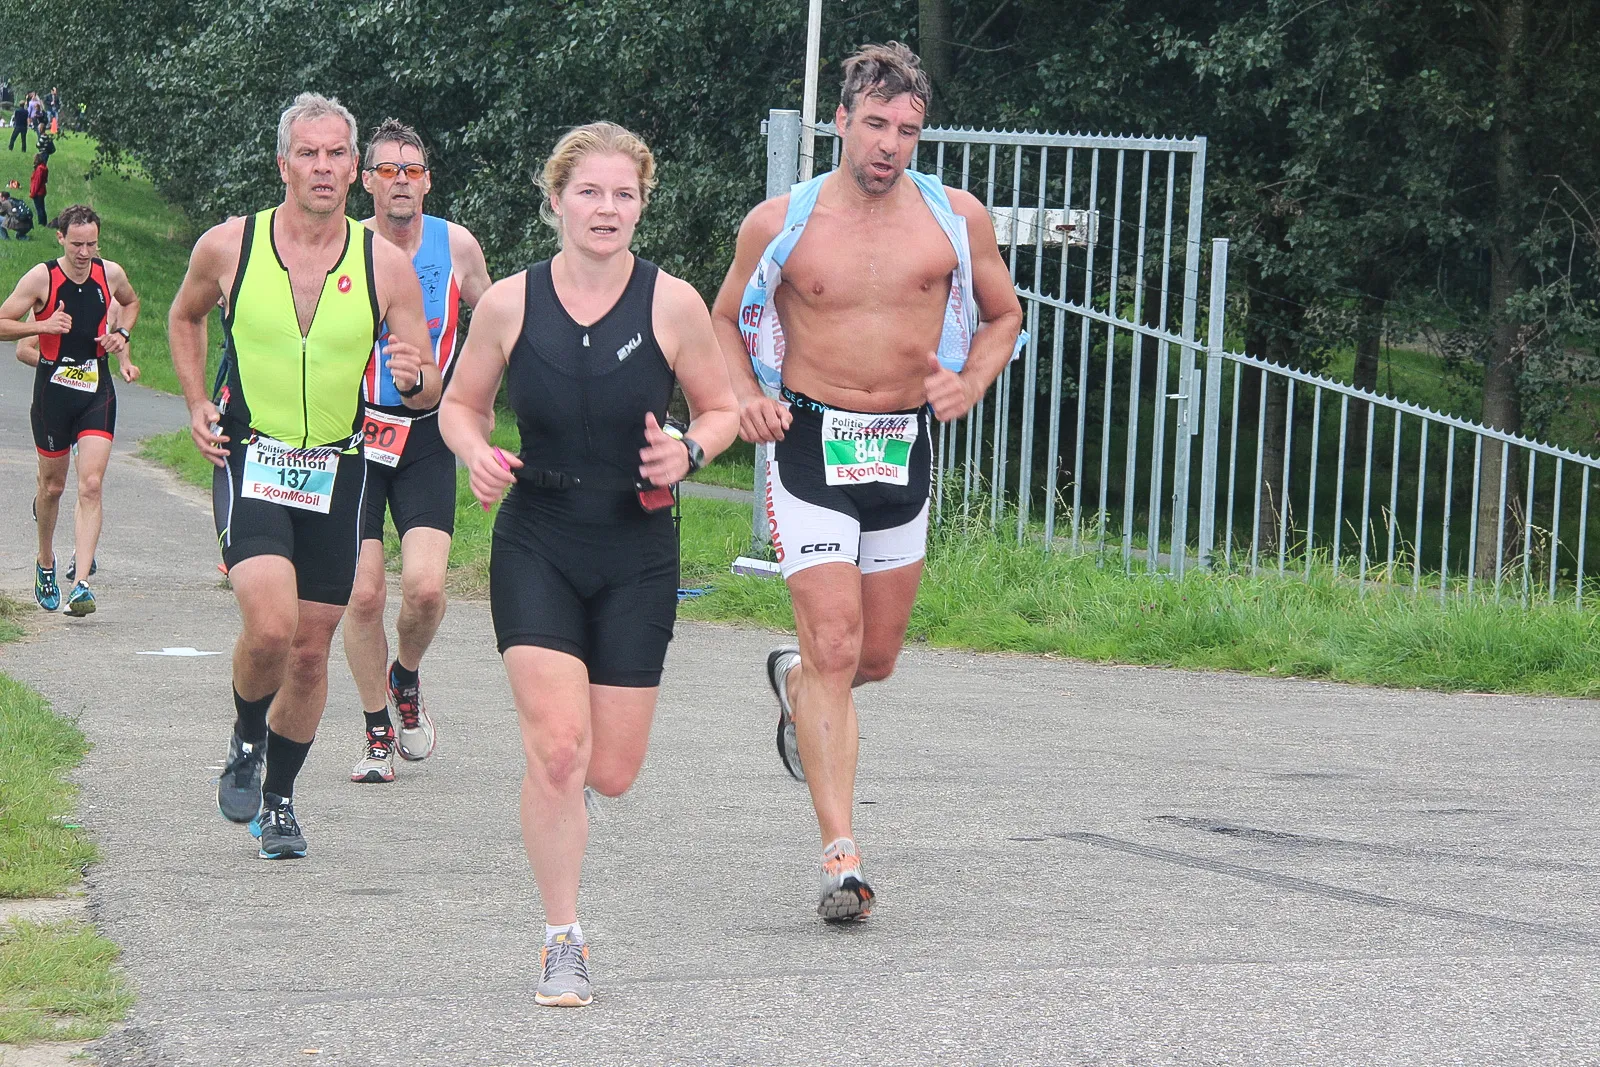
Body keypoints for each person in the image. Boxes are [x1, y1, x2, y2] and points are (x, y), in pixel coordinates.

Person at [711, 42, 1024, 922]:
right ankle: (841, 853)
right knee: (838, 649)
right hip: (811, 444)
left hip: (903, 448)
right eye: (877, 124)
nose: (891, 144)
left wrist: (971, 382)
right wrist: (746, 396)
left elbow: (1005, 314)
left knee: (869, 661)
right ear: (842, 121)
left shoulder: (957, 219)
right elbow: (724, 317)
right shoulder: (781, 222)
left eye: (909, 131)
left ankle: (796, 682)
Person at [440, 121, 738, 1007]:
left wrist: (689, 445)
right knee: (560, 750)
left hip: (637, 545)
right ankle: (561, 939)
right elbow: (462, 405)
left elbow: (720, 409)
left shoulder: (672, 303)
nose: (606, 209)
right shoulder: (510, 304)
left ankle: (566, 797)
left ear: (643, 205)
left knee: (611, 770)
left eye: (624, 194)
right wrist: (474, 453)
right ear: (557, 198)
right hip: (538, 533)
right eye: (589, 192)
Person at [167, 92, 431, 860]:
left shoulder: (384, 263)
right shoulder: (228, 247)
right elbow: (184, 317)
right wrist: (193, 400)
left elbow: (427, 387)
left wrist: (415, 379)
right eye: (307, 153)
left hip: (337, 470)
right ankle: (246, 739)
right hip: (250, 454)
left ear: (355, 168)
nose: (322, 166)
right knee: (272, 626)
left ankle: (278, 800)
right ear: (283, 163)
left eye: (336, 153)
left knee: (311, 651)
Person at [343, 118, 491, 785]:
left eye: (411, 169)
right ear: (365, 180)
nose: (399, 181)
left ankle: (406, 676)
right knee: (365, 593)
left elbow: (495, 323)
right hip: (352, 433)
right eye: (386, 170)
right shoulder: (345, 248)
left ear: (427, 179)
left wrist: (474, 403)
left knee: (426, 590)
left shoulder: (456, 244)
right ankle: (377, 730)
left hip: (426, 433)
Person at [0, 204, 141, 617]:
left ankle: (81, 583)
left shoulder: (109, 273)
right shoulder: (42, 277)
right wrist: (41, 327)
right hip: (53, 395)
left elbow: (130, 304)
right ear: (60, 238)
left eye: (92, 244)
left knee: (92, 484)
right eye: (77, 244)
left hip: (97, 389)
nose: (84, 253)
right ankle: (46, 562)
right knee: (53, 488)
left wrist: (121, 335)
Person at [29, 151, 46, 228]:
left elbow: (37, 182)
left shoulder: (39, 169)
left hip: (38, 192)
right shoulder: (44, 167)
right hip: (42, 190)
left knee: (39, 208)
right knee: (42, 207)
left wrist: (33, 193)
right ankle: (44, 222)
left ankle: (41, 223)